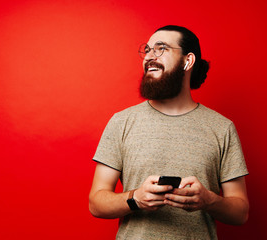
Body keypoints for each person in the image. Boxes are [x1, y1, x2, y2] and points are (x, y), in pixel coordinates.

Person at [89, 25, 249, 240]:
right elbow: (96, 203)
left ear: (188, 61)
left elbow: (241, 212)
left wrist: (208, 200)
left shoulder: (221, 128)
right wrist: (135, 198)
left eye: (160, 48)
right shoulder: (122, 122)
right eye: (147, 50)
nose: (149, 57)